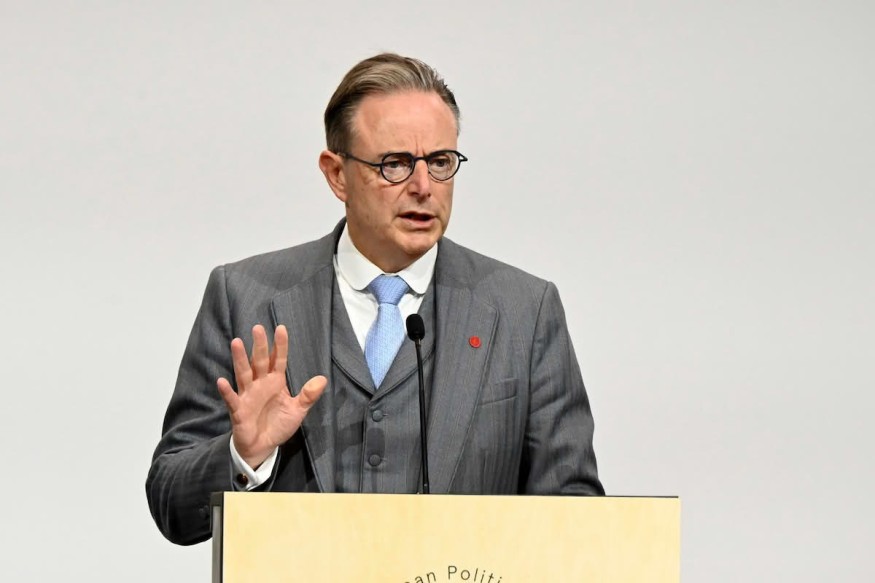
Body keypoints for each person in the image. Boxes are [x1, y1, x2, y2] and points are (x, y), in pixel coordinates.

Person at [146, 53, 603, 546]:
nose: (423, 187)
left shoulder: (524, 311)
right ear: (336, 174)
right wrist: (244, 456)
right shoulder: (244, 295)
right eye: (395, 164)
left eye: (440, 162)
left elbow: (574, 519)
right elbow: (172, 505)